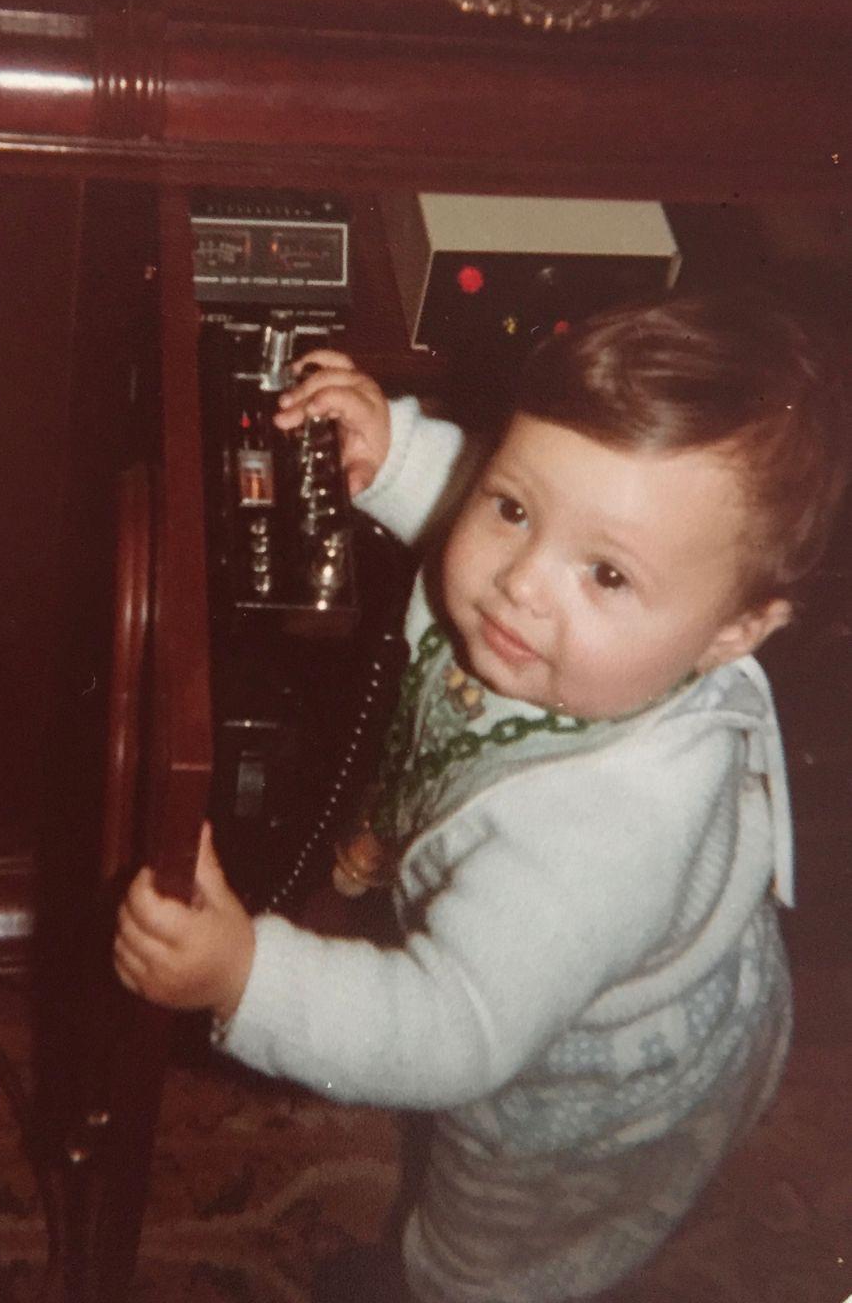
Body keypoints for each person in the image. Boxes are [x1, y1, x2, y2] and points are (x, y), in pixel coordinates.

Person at [113, 291, 849, 1303]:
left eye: (605, 574)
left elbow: (447, 1029)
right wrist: (396, 452)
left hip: (593, 1083)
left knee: (491, 1251)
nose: (518, 585)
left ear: (732, 633)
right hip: (595, 957)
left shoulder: (601, 835)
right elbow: (488, 498)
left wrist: (247, 976)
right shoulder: (571, 629)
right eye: (510, 508)